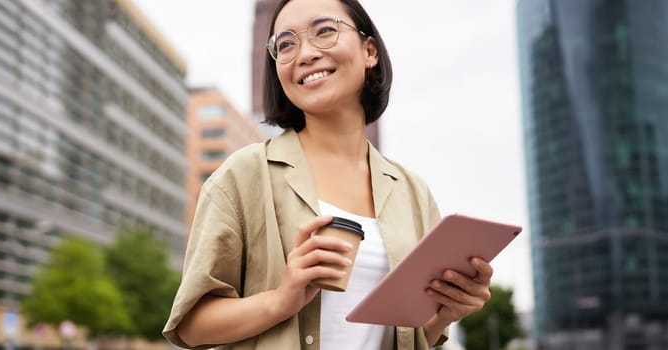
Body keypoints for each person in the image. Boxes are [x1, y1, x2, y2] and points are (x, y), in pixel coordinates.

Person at [164, 0, 494, 348]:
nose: (305, 53)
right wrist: (281, 300)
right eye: (287, 44)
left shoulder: (412, 192)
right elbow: (190, 326)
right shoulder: (242, 177)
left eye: (324, 31)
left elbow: (404, 337)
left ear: (370, 51)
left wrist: (447, 311)